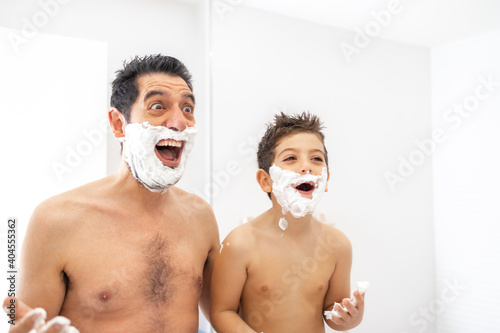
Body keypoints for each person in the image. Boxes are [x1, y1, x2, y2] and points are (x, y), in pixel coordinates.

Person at [4, 54, 220, 333]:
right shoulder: (56, 219)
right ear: (119, 124)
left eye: (188, 109)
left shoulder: (201, 217)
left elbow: (226, 316)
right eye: (157, 106)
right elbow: (25, 324)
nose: (179, 122)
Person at [210, 112, 365, 332]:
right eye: (291, 158)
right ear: (266, 181)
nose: (306, 167)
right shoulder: (241, 244)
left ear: (326, 180)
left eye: (316, 158)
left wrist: (349, 318)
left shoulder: (337, 245)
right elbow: (222, 312)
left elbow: (332, 310)